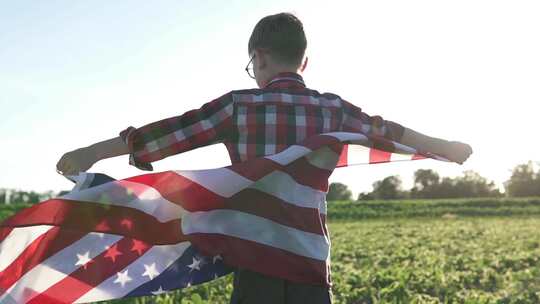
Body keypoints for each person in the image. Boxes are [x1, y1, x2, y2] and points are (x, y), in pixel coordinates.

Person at [56, 12, 473, 304]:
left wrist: (93, 151)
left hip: (257, 263)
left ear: (259, 57)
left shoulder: (239, 108)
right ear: (303, 60)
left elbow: (166, 134)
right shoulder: (332, 110)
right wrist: (446, 148)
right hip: (310, 262)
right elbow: (390, 132)